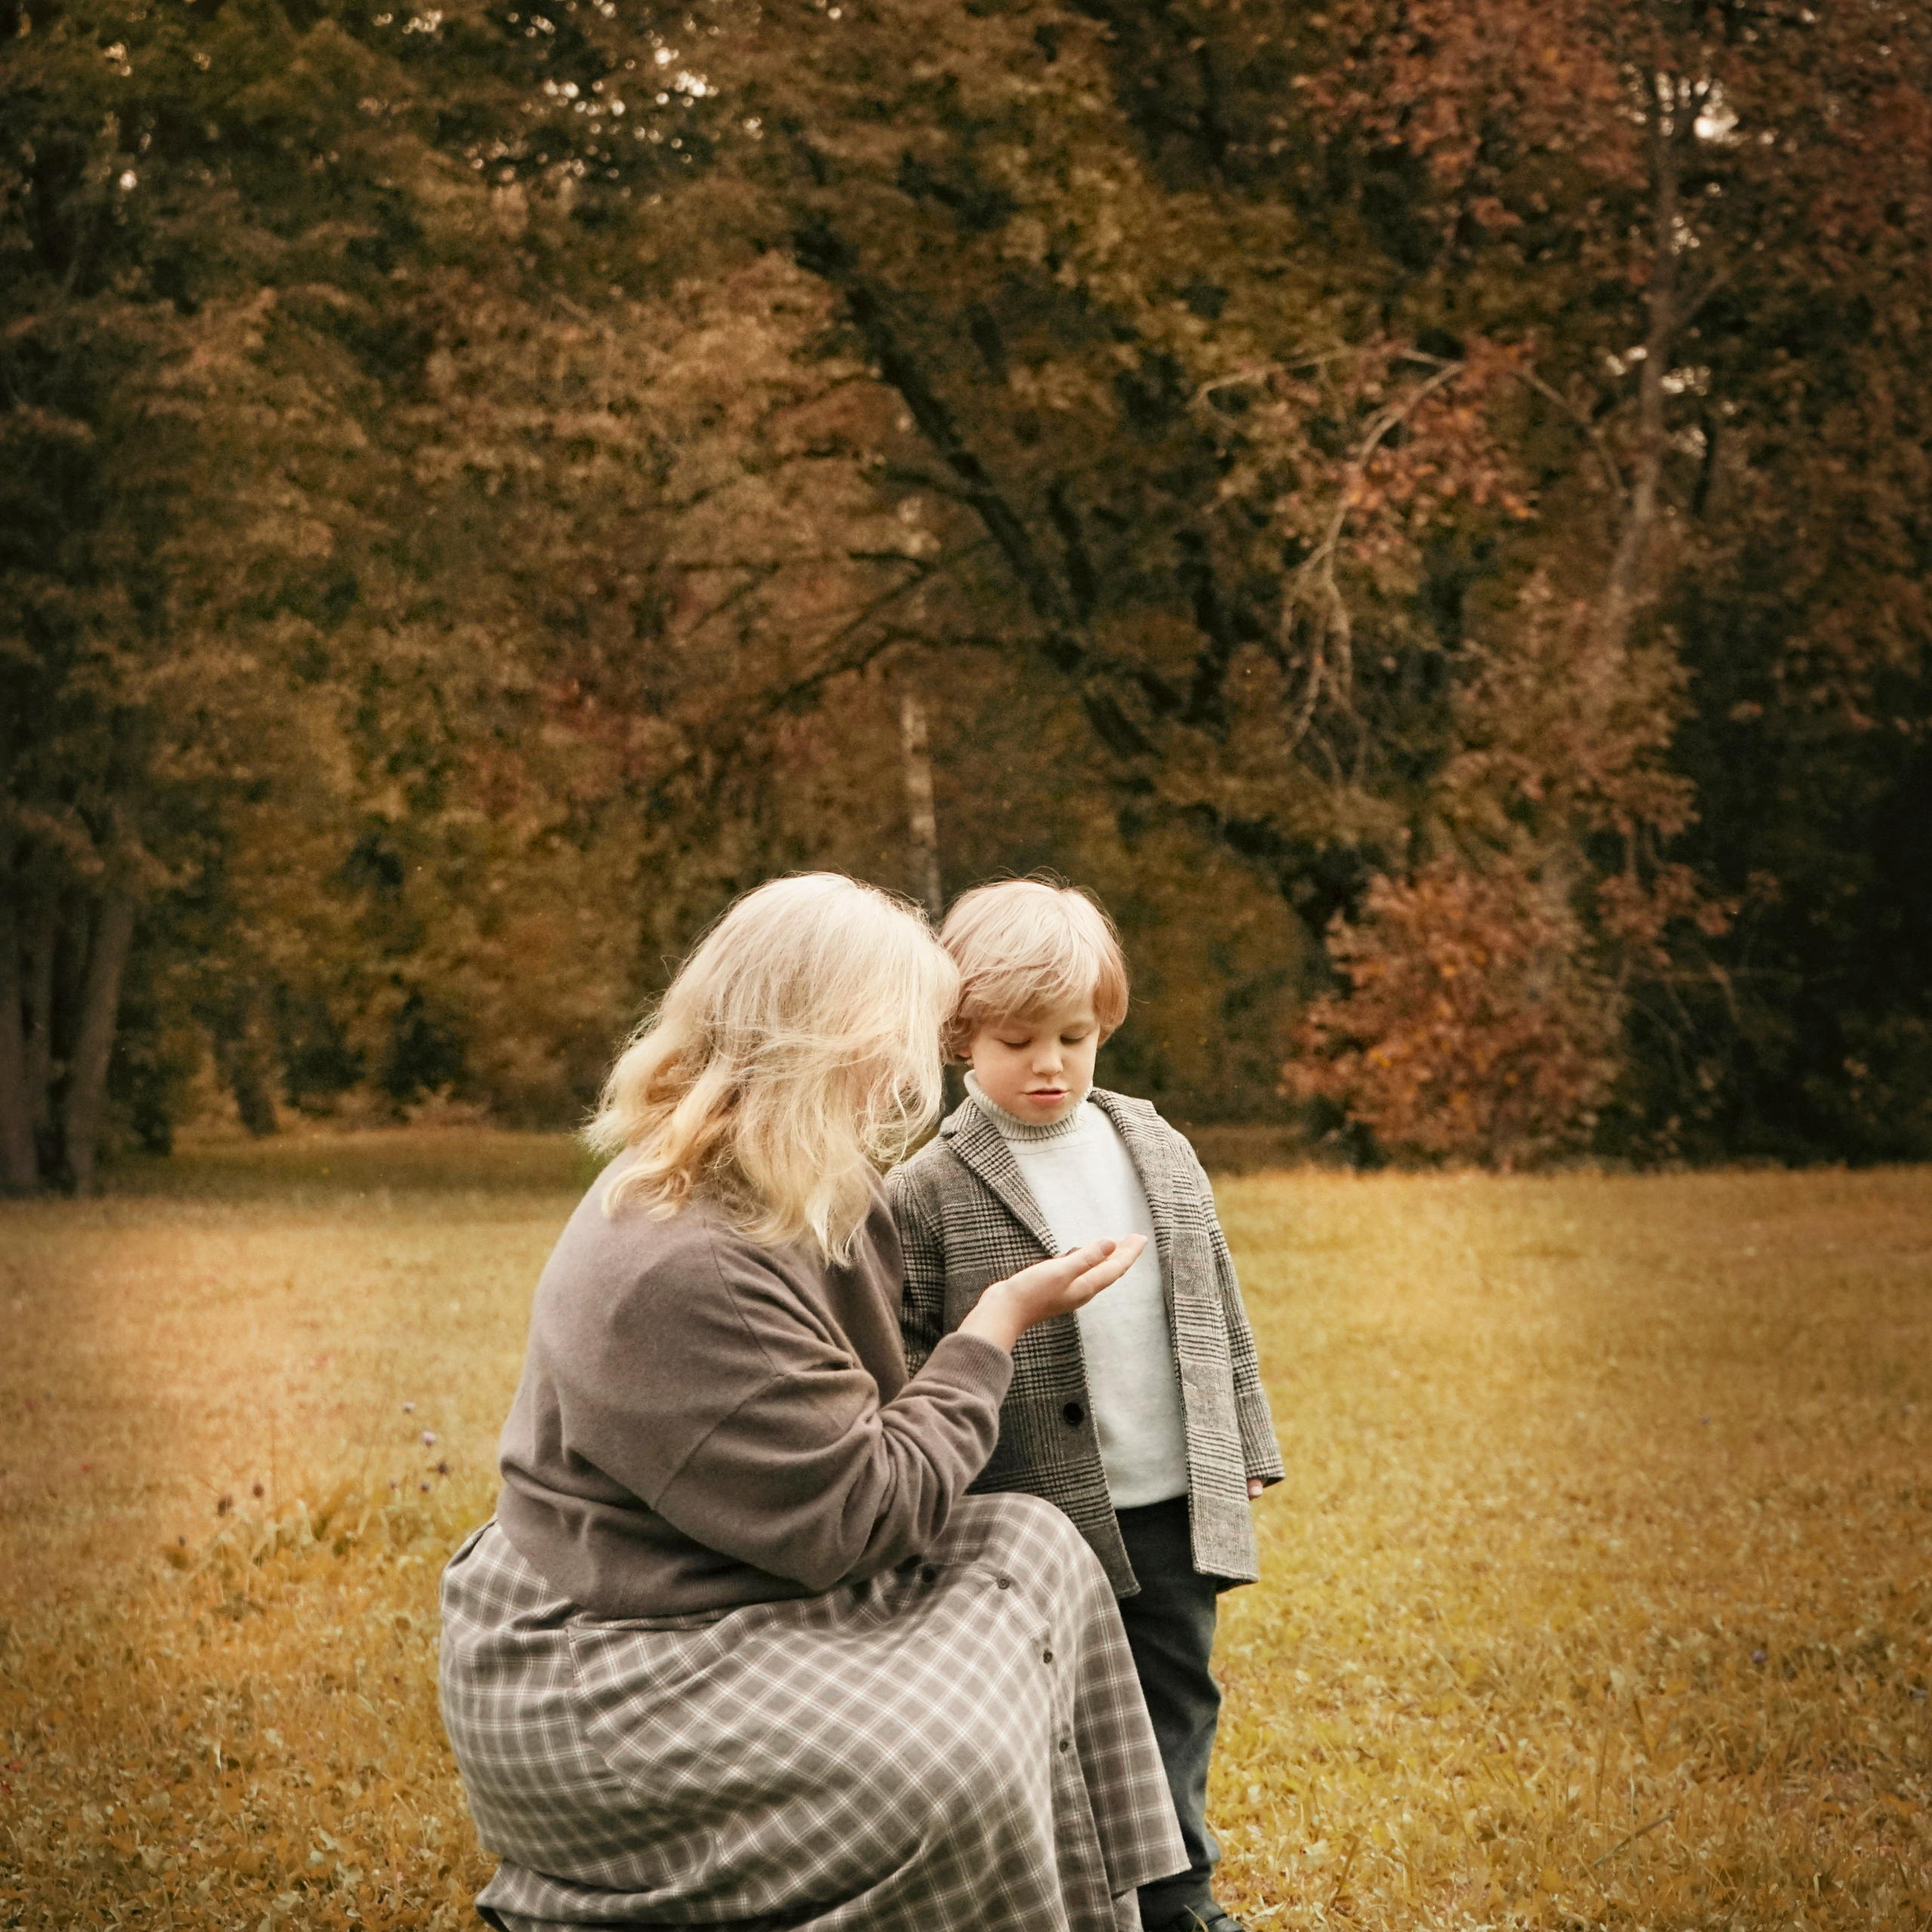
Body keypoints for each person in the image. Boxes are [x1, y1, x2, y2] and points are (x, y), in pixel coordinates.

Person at [438, 872, 1187, 1932]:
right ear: (834, 1047)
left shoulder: (792, 1187)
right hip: (609, 1657)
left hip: (721, 1577)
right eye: (904, 1041)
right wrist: (994, 1329)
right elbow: (859, 1517)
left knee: (1041, 1546)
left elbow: (865, 1431)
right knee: (952, 1766)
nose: (911, 1076)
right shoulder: (683, 1265)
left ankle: (1132, 1905)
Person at [889, 878, 1284, 1932]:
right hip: (1028, 1513)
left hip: (1164, 1494)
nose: (1051, 1064)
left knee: (1176, 1690)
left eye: (1074, 1035)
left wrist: (1242, 1439)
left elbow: (1213, 1301)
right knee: (1044, 1714)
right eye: (1018, 1041)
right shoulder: (925, 1186)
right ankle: (1049, 1898)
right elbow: (908, 1349)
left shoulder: (1153, 1145)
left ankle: (1178, 1900)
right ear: (959, 1037)